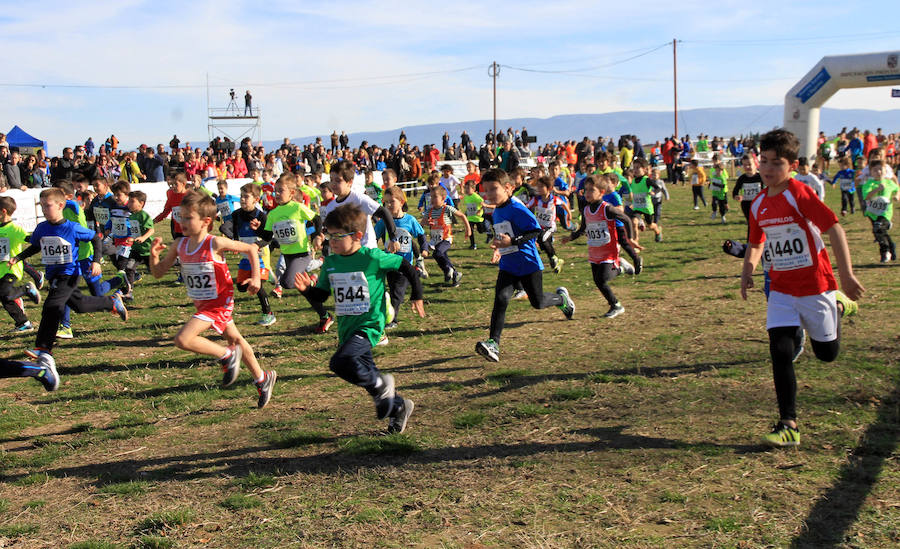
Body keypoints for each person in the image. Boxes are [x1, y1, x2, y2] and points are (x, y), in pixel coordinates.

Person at [740, 129, 864, 448]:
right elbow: (756, 242)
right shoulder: (757, 205)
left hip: (816, 286)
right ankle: (788, 424)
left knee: (827, 354)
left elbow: (834, 228)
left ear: (792, 165)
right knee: (780, 352)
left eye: (776, 163)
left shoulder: (799, 193)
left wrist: (846, 276)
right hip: (781, 290)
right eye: (763, 161)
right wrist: (747, 270)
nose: (767, 169)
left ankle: (837, 306)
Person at [293, 204, 425, 434]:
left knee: (340, 363)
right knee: (364, 373)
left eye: (337, 237)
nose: (331, 242)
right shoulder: (331, 263)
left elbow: (406, 267)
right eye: (329, 236)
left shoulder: (372, 257)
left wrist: (417, 295)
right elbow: (321, 295)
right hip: (346, 328)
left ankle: (383, 386)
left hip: (369, 325)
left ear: (357, 236)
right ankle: (399, 407)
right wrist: (306, 290)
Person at [148, 191, 276, 408]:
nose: (182, 222)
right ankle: (262, 379)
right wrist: (153, 256)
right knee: (235, 339)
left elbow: (251, 249)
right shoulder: (179, 246)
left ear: (206, 221)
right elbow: (158, 272)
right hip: (203, 304)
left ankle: (226, 356)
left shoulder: (214, 243)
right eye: (180, 216)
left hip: (219, 303)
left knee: (183, 339)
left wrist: (256, 278)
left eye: (188, 218)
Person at [8, 188, 128, 360]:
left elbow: (95, 238)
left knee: (51, 306)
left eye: (47, 206)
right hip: (54, 274)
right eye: (41, 206)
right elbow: (36, 245)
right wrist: (19, 257)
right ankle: (112, 302)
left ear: (61, 205)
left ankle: (43, 348)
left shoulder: (71, 228)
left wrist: (96, 261)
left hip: (69, 274)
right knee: (80, 305)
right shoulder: (42, 228)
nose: (43, 210)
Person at [475, 169, 575, 363]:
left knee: (538, 303)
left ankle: (561, 299)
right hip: (508, 265)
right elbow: (503, 235)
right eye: (486, 190)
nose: (489, 194)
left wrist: (511, 241)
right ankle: (493, 343)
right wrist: (498, 247)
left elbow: (535, 231)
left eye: (493, 189)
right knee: (501, 299)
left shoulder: (517, 208)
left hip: (529, 264)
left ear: (508, 188)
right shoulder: (497, 210)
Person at [259, 174, 330, 332]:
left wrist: (317, 235)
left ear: (291, 193)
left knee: (287, 283)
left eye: (280, 191)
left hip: (302, 254)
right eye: (275, 191)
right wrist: (257, 232)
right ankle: (324, 316)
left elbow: (317, 219)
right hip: (287, 256)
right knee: (303, 289)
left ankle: (312, 280)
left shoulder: (297, 207)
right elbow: (267, 237)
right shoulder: (272, 214)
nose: (276, 194)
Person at [561, 176, 639, 318]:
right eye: (586, 190)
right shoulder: (585, 210)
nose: (588, 193)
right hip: (594, 251)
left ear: (602, 192)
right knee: (598, 280)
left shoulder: (607, 208)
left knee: (602, 280)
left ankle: (616, 303)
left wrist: (631, 238)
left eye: (592, 190)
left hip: (609, 251)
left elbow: (626, 219)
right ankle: (617, 290)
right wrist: (570, 238)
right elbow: (583, 229)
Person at [375, 186, 425, 330]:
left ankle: (392, 320)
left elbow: (420, 235)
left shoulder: (410, 220)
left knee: (397, 293)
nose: (388, 205)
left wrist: (424, 249)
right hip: (388, 263)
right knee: (390, 291)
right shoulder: (383, 222)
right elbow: (374, 237)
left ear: (402, 202)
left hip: (404, 264)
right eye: (386, 202)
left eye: (392, 202)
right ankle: (387, 314)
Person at [232, 183, 276, 326]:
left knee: (257, 287)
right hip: (246, 257)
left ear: (256, 199)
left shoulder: (261, 216)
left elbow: (269, 238)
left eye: (246, 197)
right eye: (241, 196)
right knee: (241, 287)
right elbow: (233, 231)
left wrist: (257, 245)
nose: (242, 199)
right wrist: (233, 243)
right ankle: (268, 274)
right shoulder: (236, 214)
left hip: (260, 256)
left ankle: (268, 314)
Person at [0, 196, 42, 332]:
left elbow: (31, 239)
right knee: (5, 299)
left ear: (3, 211)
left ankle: (26, 289)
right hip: (0, 270)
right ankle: (23, 323)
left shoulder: (15, 230)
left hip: (11, 269)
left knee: (4, 294)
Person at [421, 185, 470, 286]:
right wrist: (426, 224)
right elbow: (422, 224)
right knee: (442, 257)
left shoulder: (447, 209)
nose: (432, 199)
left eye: (435, 197)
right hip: (435, 240)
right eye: (431, 197)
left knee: (437, 253)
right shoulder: (429, 211)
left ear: (443, 198)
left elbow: (462, 216)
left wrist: (468, 229)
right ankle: (455, 274)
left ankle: (448, 270)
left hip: (446, 239)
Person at [116, 190, 154, 301]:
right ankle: (129, 292)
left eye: (132, 201)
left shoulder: (143, 215)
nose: (129, 204)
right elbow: (135, 232)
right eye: (129, 201)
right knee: (129, 268)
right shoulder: (132, 216)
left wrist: (143, 238)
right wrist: (132, 239)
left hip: (147, 250)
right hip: (136, 250)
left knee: (154, 270)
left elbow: (151, 230)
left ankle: (176, 262)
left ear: (141, 203)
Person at [525, 176, 568, 273]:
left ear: (549, 188)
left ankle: (553, 257)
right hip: (539, 227)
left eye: (541, 187)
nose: (538, 189)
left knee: (542, 239)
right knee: (542, 244)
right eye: (538, 186)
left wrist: (568, 214)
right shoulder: (536, 199)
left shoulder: (554, 199)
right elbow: (527, 206)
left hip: (550, 227)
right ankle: (556, 260)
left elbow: (564, 204)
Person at [861, 159, 898, 262]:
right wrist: (876, 189)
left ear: (885, 171)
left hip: (885, 212)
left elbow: (897, 189)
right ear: (871, 172)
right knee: (880, 232)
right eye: (875, 170)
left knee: (878, 227)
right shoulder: (869, 184)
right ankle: (891, 245)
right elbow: (866, 197)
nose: (878, 172)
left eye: (880, 169)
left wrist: (897, 196)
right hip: (873, 213)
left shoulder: (889, 182)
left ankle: (884, 252)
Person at [629, 158, 664, 241]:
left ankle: (658, 231)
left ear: (644, 169)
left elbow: (658, 188)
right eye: (634, 168)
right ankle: (636, 242)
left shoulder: (646, 180)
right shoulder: (633, 181)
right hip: (637, 207)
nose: (635, 170)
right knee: (634, 223)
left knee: (650, 225)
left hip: (646, 207)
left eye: (638, 168)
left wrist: (654, 192)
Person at [732, 155, 764, 240]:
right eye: (744, 165)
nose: (747, 167)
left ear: (755, 164)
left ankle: (762, 242)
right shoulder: (742, 178)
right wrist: (737, 197)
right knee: (752, 224)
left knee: (761, 224)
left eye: (749, 164)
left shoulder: (761, 177)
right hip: (747, 205)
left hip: (760, 205)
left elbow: (768, 190)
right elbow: (735, 192)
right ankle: (750, 243)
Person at [460, 180, 487, 250]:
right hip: (470, 218)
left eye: (468, 188)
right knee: (470, 231)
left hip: (478, 218)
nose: (467, 190)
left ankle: (488, 231)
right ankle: (473, 244)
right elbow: (468, 206)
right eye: (465, 188)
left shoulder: (476, 196)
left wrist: (480, 210)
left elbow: (483, 204)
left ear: (473, 189)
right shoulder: (466, 197)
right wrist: (466, 212)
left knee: (481, 231)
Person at [708, 155, 729, 223]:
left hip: (722, 192)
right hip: (715, 192)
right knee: (713, 203)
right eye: (713, 161)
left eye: (716, 161)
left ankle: (723, 214)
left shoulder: (722, 173)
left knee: (722, 205)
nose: (715, 162)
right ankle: (714, 212)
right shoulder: (712, 170)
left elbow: (725, 180)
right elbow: (711, 179)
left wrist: (717, 183)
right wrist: (710, 184)